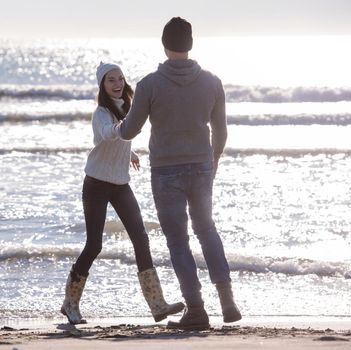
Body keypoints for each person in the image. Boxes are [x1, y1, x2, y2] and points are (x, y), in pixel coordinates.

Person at [117, 17, 242, 330]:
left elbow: (130, 130)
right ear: (190, 44)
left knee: (178, 241)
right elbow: (221, 131)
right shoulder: (212, 82)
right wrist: (213, 160)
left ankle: (197, 309)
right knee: (207, 230)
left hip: (166, 171)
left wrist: (112, 127)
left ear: (164, 44)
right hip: (202, 166)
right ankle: (227, 300)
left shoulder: (149, 84)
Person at [60, 62, 184, 325]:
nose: (117, 84)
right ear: (102, 86)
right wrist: (124, 131)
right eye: (110, 80)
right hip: (96, 183)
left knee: (141, 238)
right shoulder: (101, 113)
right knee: (94, 245)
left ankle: (157, 304)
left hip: (120, 184)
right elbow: (107, 134)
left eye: (120, 79)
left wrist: (131, 152)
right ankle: (70, 303)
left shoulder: (128, 107)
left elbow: (121, 140)